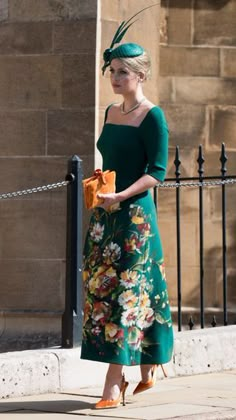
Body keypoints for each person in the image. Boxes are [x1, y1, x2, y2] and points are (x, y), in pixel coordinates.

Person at [81, 6, 174, 410]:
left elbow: (157, 172)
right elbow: (109, 158)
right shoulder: (109, 112)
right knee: (108, 292)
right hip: (106, 216)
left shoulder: (153, 117)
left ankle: (111, 388)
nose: (115, 79)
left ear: (140, 75)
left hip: (135, 218)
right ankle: (150, 366)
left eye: (122, 72)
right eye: (112, 71)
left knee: (123, 296)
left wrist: (121, 195)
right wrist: (101, 185)